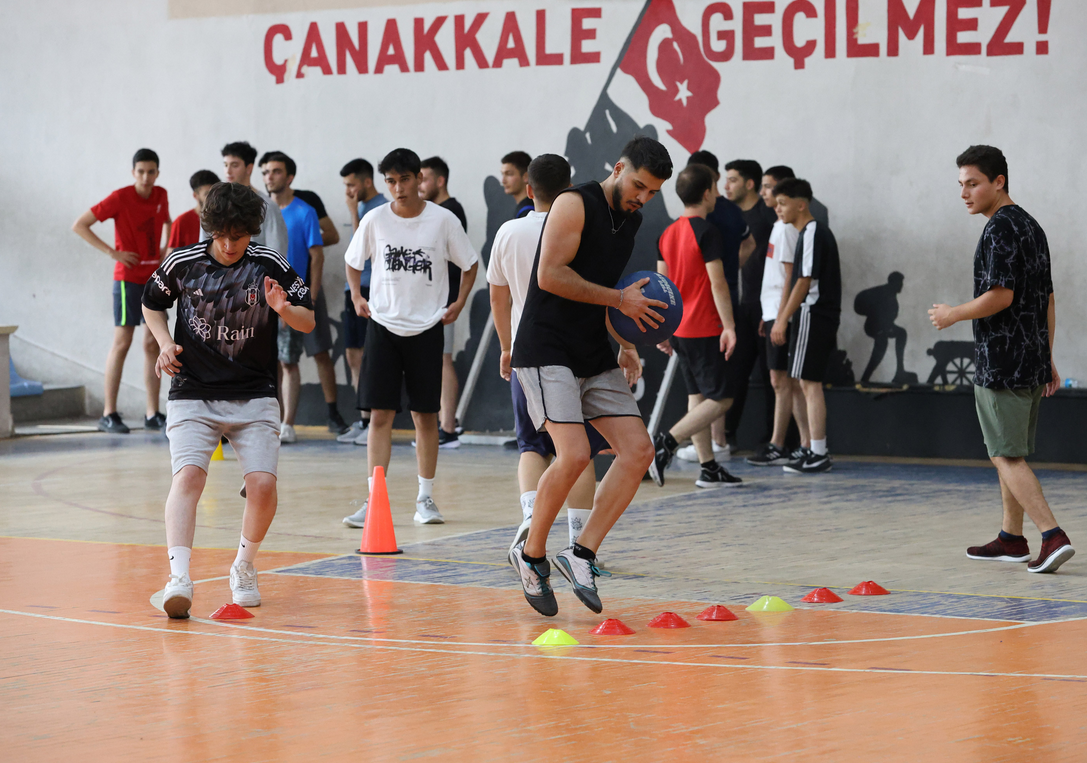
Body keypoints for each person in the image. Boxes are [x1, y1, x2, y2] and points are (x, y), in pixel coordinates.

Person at [508, 136, 671, 617]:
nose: (643, 197)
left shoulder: (632, 220)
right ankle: (530, 553)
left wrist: (624, 344)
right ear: (618, 167)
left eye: (653, 192)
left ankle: (581, 553)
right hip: (545, 348)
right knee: (575, 453)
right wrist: (621, 302)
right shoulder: (573, 203)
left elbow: (603, 288)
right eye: (639, 185)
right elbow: (551, 276)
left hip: (591, 351)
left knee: (639, 450)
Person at [142, 182, 315, 619]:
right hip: (193, 391)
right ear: (211, 229)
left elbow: (308, 321)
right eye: (222, 235)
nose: (230, 244)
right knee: (189, 479)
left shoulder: (268, 263)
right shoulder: (183, 263)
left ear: (251, 231)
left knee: (263, 485)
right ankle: (178, 578)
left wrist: (282, 309)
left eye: (238, 235)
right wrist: (164, 342)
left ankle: (243, 566)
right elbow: (150, 304)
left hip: (254, 393)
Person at [929, 145, 1073, 573]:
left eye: (972, 183)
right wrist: (1046, 356)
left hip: (1003, 361)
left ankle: (1052, 535)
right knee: (1010, 451)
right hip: (1029, 358)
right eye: (961, 185)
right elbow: (1047, 298)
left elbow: (1001, 295)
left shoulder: (999, 229)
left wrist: (953, 313)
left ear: (998, 182)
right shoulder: (1030, 225)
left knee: (1005, 456)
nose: (964, 194)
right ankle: (1012, 538)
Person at [341, 148, 479, 528]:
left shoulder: (443, 220)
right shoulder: (374, 220)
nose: (398, 188)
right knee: (379, 415)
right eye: (390, 181)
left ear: (419, 179)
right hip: (383, 326)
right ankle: (374, 500)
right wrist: (356, 295)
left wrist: (460, 302)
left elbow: (469, 264)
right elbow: (353, 262)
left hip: (427, 327)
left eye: (404, 180)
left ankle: (425, 498)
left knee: (425, 415)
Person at [488, 154, 605, 557]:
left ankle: (529, 515)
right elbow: (598, 298)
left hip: (529, 353)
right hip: (577, 353)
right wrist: (623, 347)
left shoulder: (508, 232)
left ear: (528, 189)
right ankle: (577, 539)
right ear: (570, 189)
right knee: (578, 449)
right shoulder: (582, 229)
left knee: (531, 445)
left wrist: (506, 346)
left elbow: (498, 297)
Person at [650, 164, 743, 489]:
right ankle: (668, 442)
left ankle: (708, 468)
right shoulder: (706, 231)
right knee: (723, 398)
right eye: (716, 188)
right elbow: (718, 285)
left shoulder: (667, 233)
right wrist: (729, 326)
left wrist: (664, 329)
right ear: (706, 193)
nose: (718, 194)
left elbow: (662, 286)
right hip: (704, 328)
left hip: (680, 331)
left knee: (698, 395)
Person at [72, 148, 171, 434]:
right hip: (128, 280)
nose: (146, 177)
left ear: (157, 173)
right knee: (122, 342)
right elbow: (79, 225)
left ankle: (153, 412)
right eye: (141, 171)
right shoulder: (120, 197)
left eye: (151, 171)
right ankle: (108, 413)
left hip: (154, 278)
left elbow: (167, 221)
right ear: (133, 173)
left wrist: (165, 248)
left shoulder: (161, 194)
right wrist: (112, 252)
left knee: (154, 343)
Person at [259, 151, 349, 439]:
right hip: (267, 297)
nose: (269, 177)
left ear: (289, 176)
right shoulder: (259, 212)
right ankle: (277, 422)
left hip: (302, 294)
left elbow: (317, 256)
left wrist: (309, 294)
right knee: (278, 359)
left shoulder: (305, 211)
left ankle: (329, 414)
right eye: (265, 172)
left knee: (317, 352)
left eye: (275, 171)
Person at [679, 150, 753, 461]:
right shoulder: (708, 221)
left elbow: (716, 279)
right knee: (707, 390)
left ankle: (710, 446)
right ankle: (708, 452)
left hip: (706, 313)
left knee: (708, 389)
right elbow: (747, 246)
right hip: (705, 312)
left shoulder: (706, 222)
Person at [771, 179, 841, 475]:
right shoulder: (806, 234)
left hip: (814, 313)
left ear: (802, 204)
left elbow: (803, 281)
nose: (778, 209)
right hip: (815, 314)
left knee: (810, 384)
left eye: (783, 203)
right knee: (804, 382)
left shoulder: (812, 232)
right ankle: (812, 447)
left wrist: (782, 318)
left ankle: (818, 452)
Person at [747, 171, 809, 466]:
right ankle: (795, 443)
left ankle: (780, 443)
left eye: (769, 188)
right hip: (773, 311)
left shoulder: (785, 230)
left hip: (782, 314)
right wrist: (769, 314)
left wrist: (782, 318)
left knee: (783, 380)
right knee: (781, 380)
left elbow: (789, 278)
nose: (764, 193)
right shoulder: (779, 226)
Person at [722, 159, 778, 447]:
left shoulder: (768, 218)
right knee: (734, 374)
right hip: (736, 311)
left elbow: (779, 267)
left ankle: (777, 440)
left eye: (732, 179)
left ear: (749, 183)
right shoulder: (726, 215)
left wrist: (772, 309)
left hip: (765, 309)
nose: (725, 185)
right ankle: (726, 437)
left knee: (773, 377)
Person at [337, 159, 389, 445]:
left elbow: (363, 250)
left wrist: (352, 213)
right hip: (353, 287)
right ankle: (363, 418)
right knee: (353, 355)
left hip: (372, 288)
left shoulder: (381, 208)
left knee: (370, 356)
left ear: (367, 182)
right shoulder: (360, 206)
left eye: (351, 184)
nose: (348, 191)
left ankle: (373, 420)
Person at [420, 156, 470, 448]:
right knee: (437, 360)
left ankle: (448, 427)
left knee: (443, 359)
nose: (419, 185)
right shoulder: (438, 211)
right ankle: (444, 424)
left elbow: (460, 260)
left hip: (445, 300)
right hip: (435, 300)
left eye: (424, 178)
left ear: (440, 180)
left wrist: (458, 299)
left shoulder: (450, 212)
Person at [217, 142, 289, 256]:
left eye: (234, 165)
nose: (228, 171)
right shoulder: (216, 204)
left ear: (249, 168)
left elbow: (277, 253)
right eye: (225, 165)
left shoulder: (266, 206)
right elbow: (205, 249)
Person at [856, 272, 910, 384]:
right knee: (882, 343)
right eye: (900, 283)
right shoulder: (882, 292)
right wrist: (873, 314)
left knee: (901, 333)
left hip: (885, 325)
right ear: (894, 282)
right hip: (875, 326)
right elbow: (859, 303)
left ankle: (900, 370)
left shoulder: (890, 294)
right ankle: (865, 378)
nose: (901, 286)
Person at [167, 170, 219, 254]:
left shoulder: (223, 219)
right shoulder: (182, 222)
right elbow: (171, 256)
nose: (212, 199)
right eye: (207, 194)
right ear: (195, 195)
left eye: (215, 193)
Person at [501, 151, 534, 218]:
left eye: (509, 174)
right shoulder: (524, 208)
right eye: (502, 174)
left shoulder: (528, 211)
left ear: (526, 176)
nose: (503, 181)